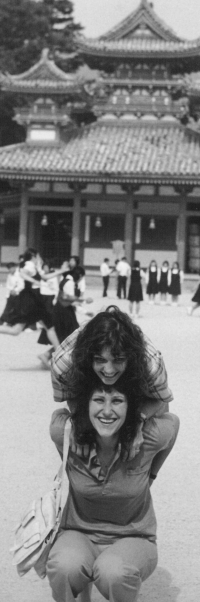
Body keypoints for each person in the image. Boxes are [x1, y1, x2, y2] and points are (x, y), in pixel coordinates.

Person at [47, 377, 179, 602]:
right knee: (63, 567)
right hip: (78, 532)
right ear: (85, 405)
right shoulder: (68, 433)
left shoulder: (149, 437)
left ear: (131, 408)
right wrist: (77, 425)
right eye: (98, 400)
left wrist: (152, 473)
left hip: (133, 535)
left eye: (117, 401)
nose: (107, 411)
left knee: (114, 572)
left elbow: (172, 420)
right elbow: (58, 414)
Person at [51, 307, 173, 443]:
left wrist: (138, 423)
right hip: (83, 374)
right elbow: (71, 396)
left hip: (136, 381)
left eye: (119, 360)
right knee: (71, 435)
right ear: (87, 357)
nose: (109, 371)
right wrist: (83, 425)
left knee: (157, 435)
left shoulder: (151, 366)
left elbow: (160, 399)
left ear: (131, 357)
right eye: (100, 360)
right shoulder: (64, 365)